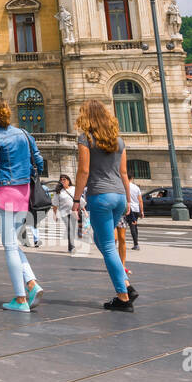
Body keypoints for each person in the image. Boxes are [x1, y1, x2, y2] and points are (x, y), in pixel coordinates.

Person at [0, 97, 44, 313]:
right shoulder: (24, 134)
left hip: (5, 192)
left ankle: (21, 299)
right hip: (24, 191)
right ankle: (31, 283)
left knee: (10, 245)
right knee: (13, 242)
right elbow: (39, 162)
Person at [72, 100, 137, 311]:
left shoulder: (86, 139)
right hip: (118, 195)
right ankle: (126, 284)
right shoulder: (118, 141)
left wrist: (76, 199)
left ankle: (123, 297)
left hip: (100, 195)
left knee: (108, 246)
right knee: (101, 240)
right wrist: (128, 200)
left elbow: (83, 171)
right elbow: (124, 173)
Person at [55, 175, 79, 254]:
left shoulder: (74, 189)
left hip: (73, 212)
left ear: (68, 180)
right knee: (70, 228)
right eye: (61, 180)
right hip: (64, 213)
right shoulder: (59, 191)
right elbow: (55, 204)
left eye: (64, 179)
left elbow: (79, 200)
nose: (63, 181)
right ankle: (72, 247)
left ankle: (70, 247)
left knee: (72, 230)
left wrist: (84, 209)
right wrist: (54, 214)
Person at [125, 177, 144, 251]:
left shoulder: (125, 186)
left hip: (129, 208)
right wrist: (142, 211)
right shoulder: (136, 188)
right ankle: (136, 243)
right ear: (132, 178)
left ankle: (136, 244)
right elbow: (140, 200)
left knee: (132, 226)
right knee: (135, 226)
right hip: (136, 208)